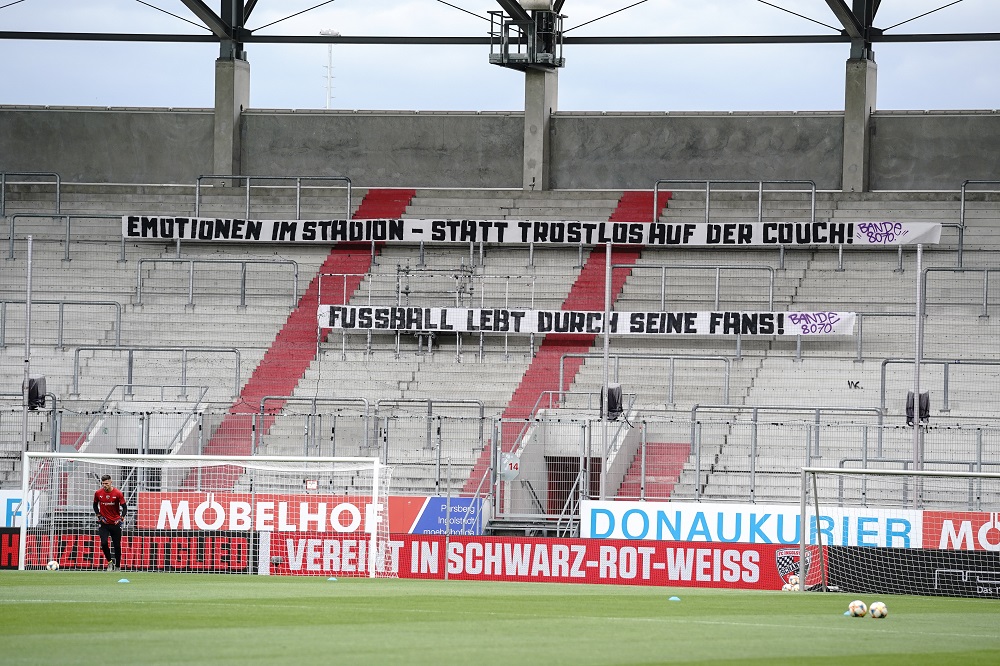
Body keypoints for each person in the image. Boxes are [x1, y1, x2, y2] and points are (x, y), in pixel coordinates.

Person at [93, 474, 127, 571]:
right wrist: (98, 515)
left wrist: (122, 518)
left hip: (115, 523)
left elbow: (124, 507)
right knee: (103, 543)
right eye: (103, 483)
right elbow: (95, 505)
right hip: (104, 523)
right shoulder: (98, 493)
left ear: (111, 482)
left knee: (117, 545)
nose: (104, 485)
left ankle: (118, 566)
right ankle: (109, 562)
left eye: (106, 483)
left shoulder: (118, 493)